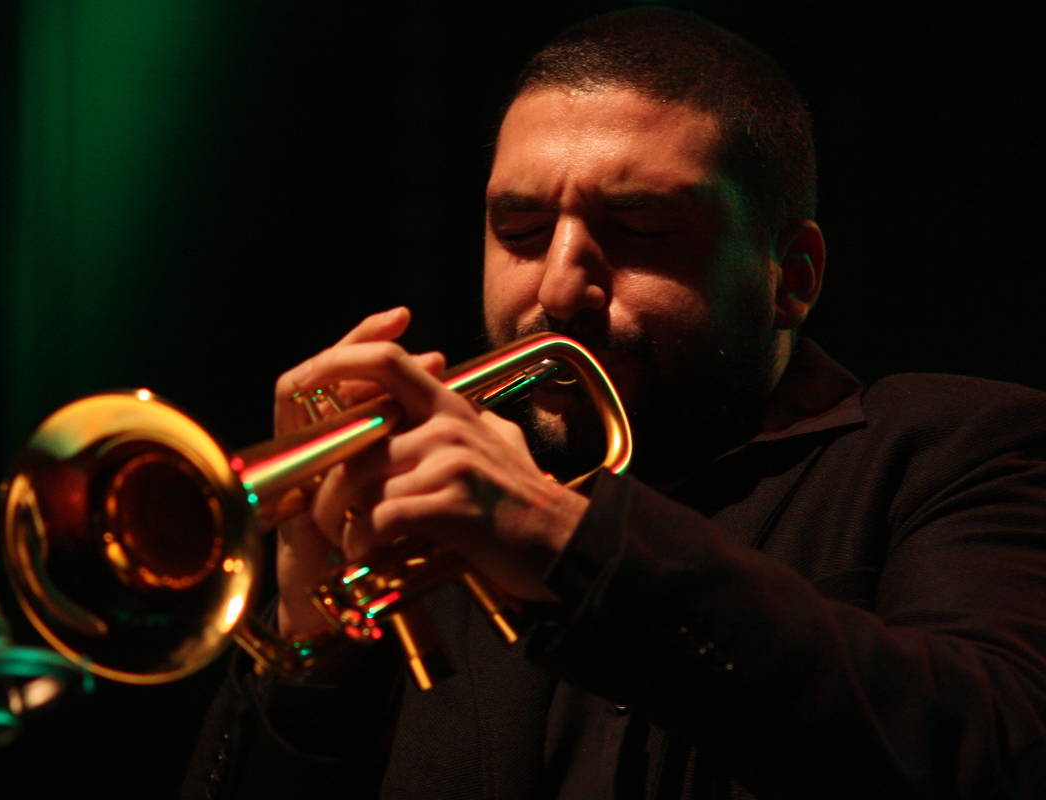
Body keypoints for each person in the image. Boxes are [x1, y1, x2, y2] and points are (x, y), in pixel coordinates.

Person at [183, 8, 1046, 798]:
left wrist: (562, 541)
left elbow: (997, 750)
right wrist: (311, 652)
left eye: (640, 231)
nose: (559, 289)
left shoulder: (958, 449)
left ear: (792, 277)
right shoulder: (417, 539)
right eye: (521, 232)